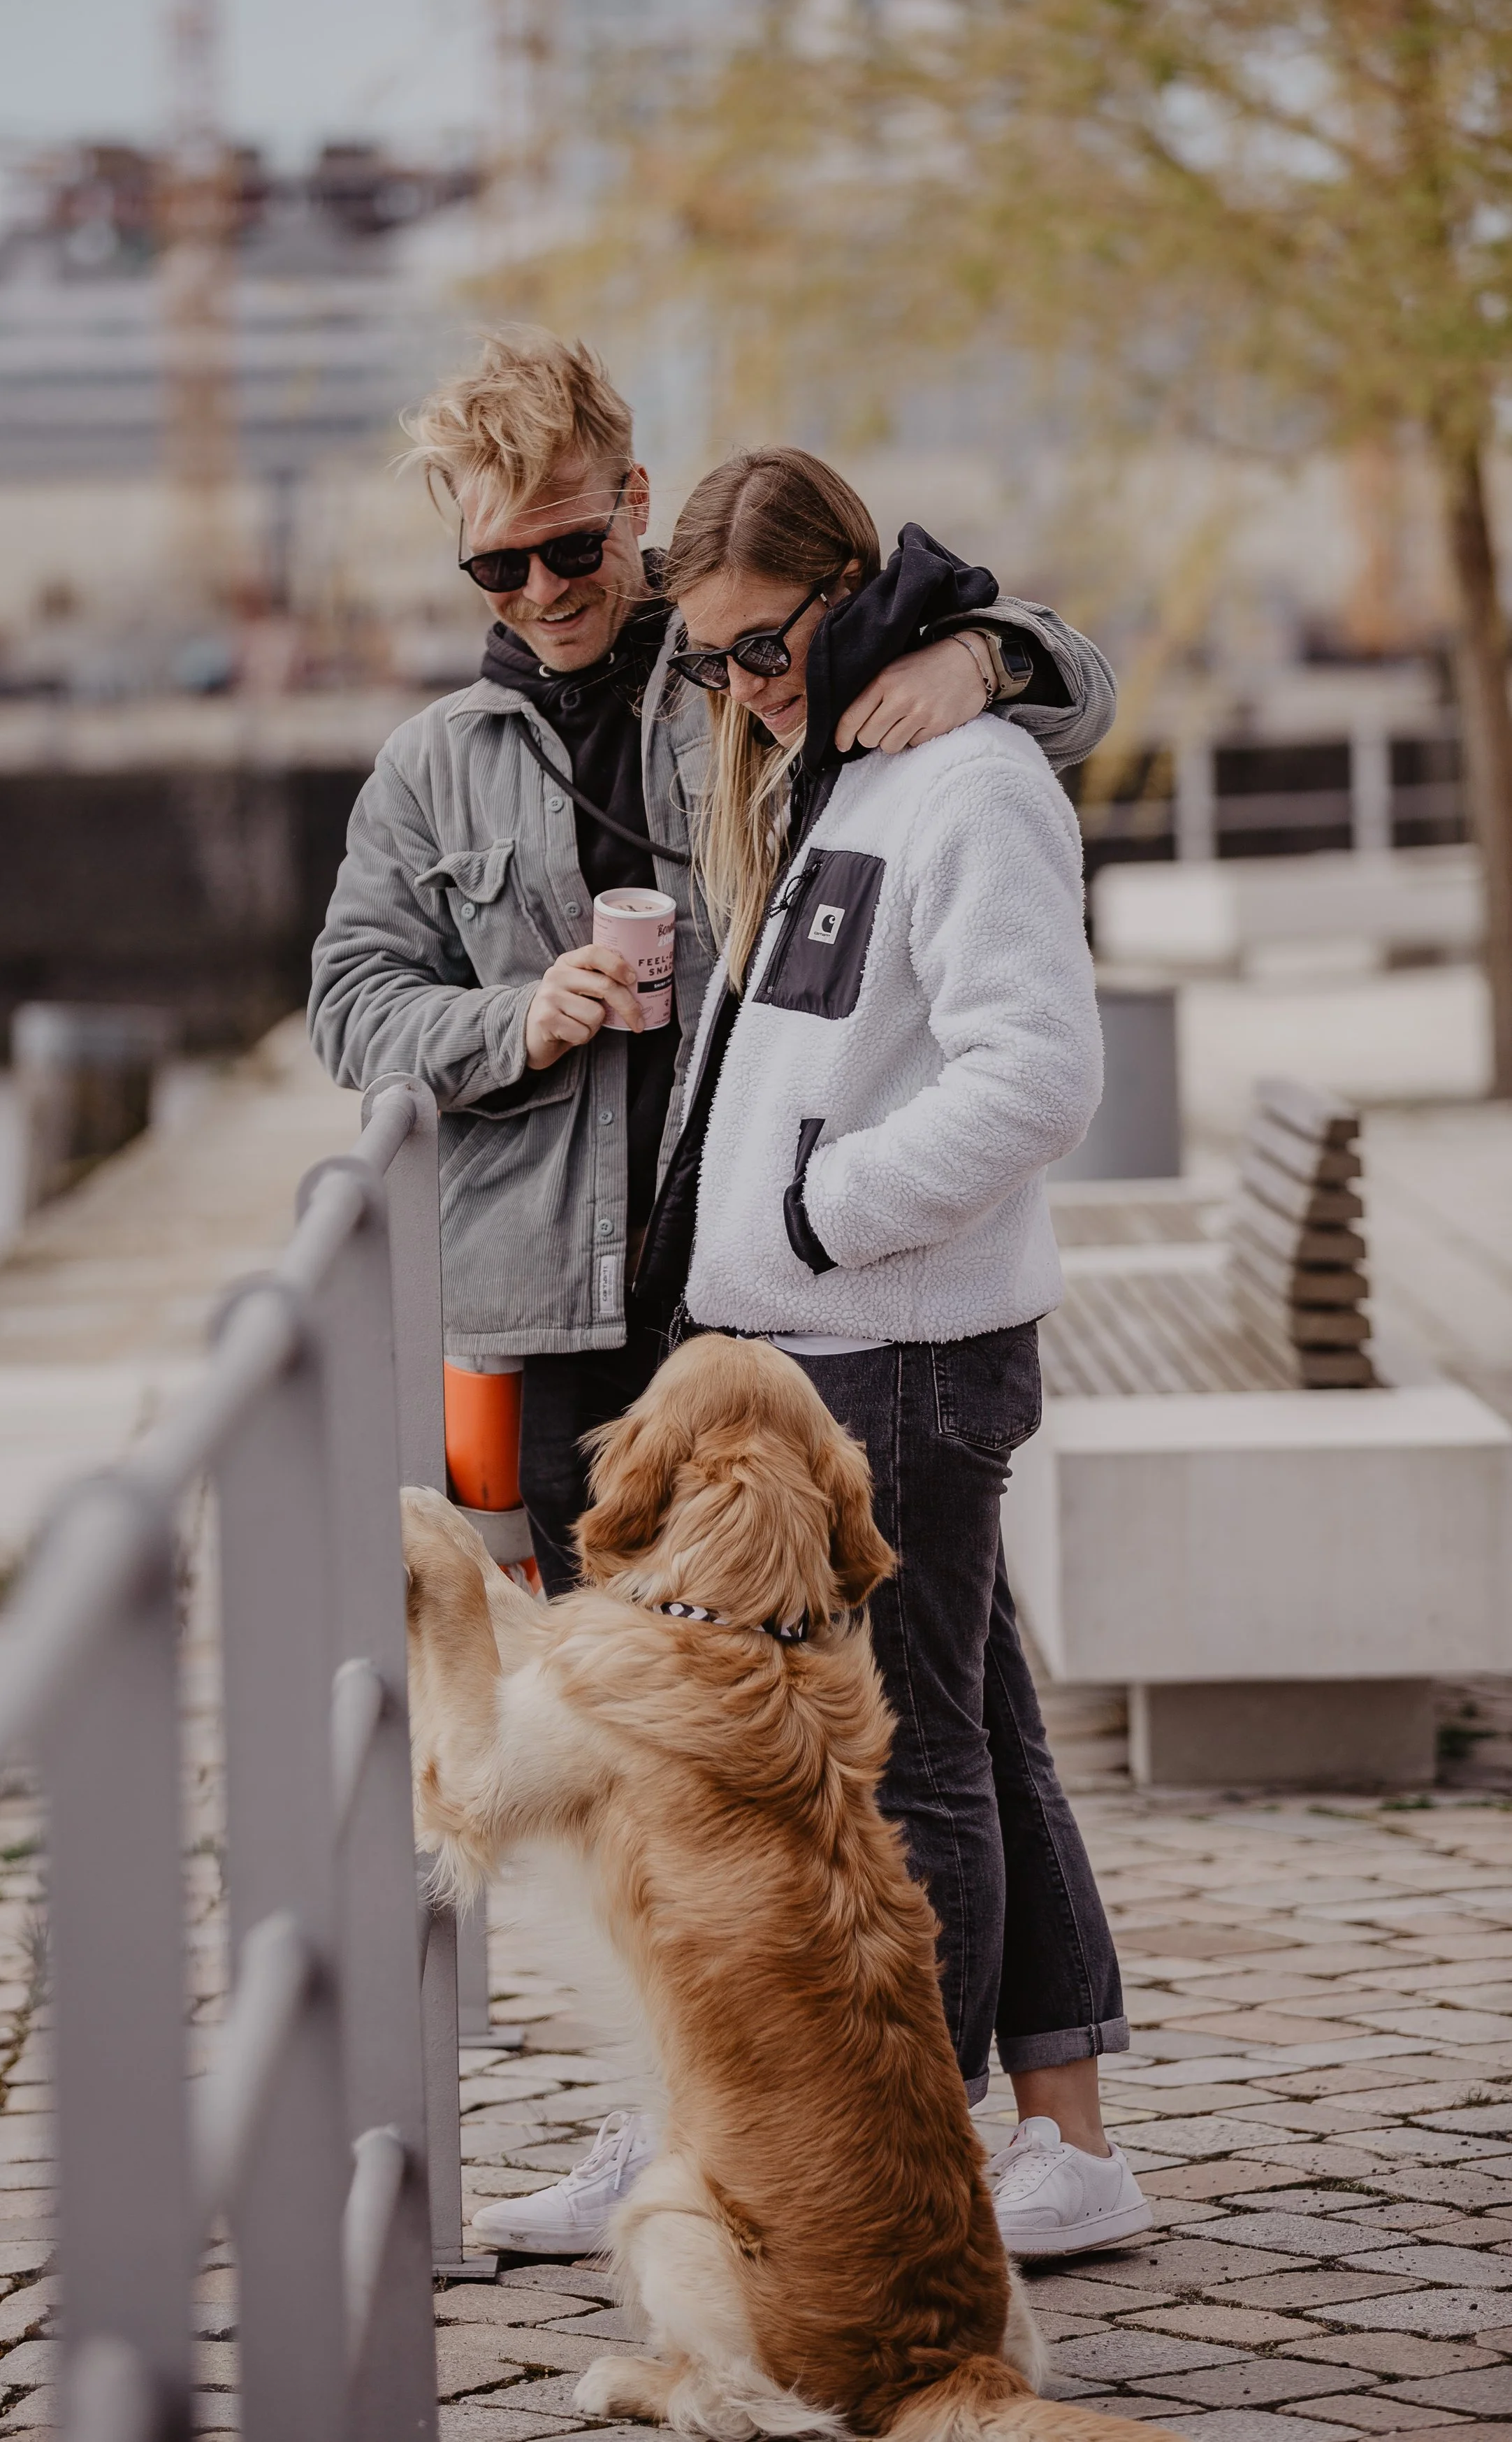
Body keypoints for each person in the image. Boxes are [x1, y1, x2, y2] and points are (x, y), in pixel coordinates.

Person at [310, 330, 1118, 1598]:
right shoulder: (429, 763)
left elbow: (1073, 700)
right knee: (609, 1703)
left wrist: (982, 652)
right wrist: (523, 1016)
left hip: (770, 1292)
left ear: (633, 502)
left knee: (827, 1679)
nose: (544, 589)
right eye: (497, 565)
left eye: (573, 547)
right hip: (544, 1322)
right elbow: (351, 1009)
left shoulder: (748, 676)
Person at [632, 445, 1147, 2260]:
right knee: (974, 1734)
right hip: (836, 1337)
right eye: (707, 665)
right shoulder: (831, 760)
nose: (739, 694)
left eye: (760, 650)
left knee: (905, 1766)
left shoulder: (962, 780)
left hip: (894, 1348)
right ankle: (1048, 2145)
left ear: (845, 593)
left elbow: (1037, 1072)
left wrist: (819, 1211)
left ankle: (900, 2180)